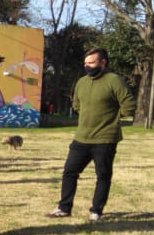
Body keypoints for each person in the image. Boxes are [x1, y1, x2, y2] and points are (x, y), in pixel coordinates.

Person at [48, 48, 136, 222]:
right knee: (69, 172)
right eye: (85, 63)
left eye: (91, 63)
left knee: (103, 175)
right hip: (81, 137)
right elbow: (77, 105)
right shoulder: (82, 82)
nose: (87, 66)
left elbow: (129, 105)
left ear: (103, 62)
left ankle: (96, 211)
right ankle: (64, 208)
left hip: (105, 139)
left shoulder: (114, 81)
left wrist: (112, 119)